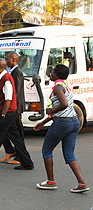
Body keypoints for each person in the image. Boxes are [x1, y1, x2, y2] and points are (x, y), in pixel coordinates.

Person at [34, 64, 89, 192]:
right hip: (74, 122)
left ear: (57, 75)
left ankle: (51, 182)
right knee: (69, 154)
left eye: (52, 72)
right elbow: (65, 107)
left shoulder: (58, 88)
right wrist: (44, 121)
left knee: (47, 150)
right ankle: (82, 183)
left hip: (62, 123)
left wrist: (51, 110)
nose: (50, 73)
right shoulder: (66, 87)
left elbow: (63, 105)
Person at [0, 52, 25, 165]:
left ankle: (20, 157)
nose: (6, 61)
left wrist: (13, 109)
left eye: (8, 60)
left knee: (18, 134)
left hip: (14, 109)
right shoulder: (10, 72)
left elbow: (17, 93)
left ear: (14, 60)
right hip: (10, 109)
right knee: (2, 131)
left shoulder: (17, 73)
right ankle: (10, 151)